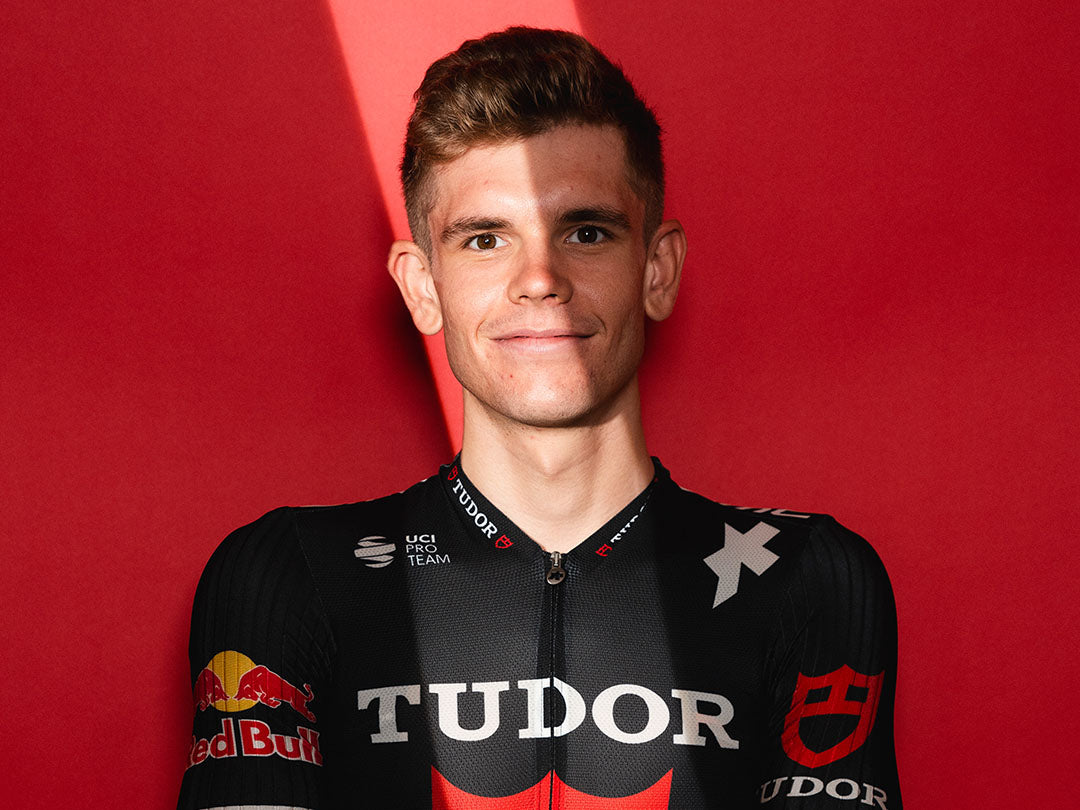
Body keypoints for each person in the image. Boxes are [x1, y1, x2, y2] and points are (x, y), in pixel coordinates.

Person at [177, 27, 901, 810]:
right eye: (486, 239)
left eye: (586, 232)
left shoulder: (806, 578)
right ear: (422, 288)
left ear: (656, 272)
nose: (540, 279)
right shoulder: (291, 574)